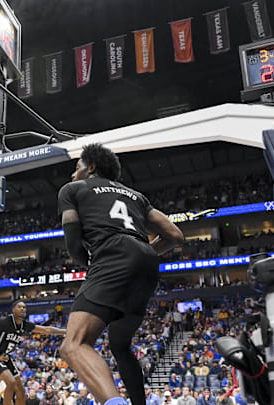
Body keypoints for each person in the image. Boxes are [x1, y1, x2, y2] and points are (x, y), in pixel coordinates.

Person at [57, 143, 184, 405]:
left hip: (112, 256)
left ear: (90, 167)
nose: (72, 174)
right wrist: (143, 252)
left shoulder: (72, 190)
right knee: (120, 345)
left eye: (76, 167)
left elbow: (73, 243)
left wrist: (90, 266)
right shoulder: (137, 196)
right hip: (146, 262)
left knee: (74, 345)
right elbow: (174, 235)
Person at [0, 300, 66, 405]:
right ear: (13, 310)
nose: (22, 309)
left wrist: (65, 331)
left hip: (6, 358)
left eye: (24, 307)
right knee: (10, 382)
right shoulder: (4, 321)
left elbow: (46, 330)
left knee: (21, 390)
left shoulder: (24, 325)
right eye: (19, 307)